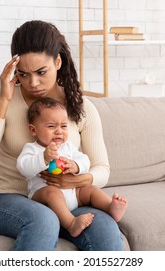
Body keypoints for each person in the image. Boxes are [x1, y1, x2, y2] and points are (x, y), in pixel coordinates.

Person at [0, 20, 124, 250]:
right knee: (43, 219)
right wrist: (4, 99)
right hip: (11, 199)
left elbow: (102, 168)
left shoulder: (81, 106)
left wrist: (78, 179)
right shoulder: (2, 99)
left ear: (58, 62)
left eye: (41, 72)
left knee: (107, 228)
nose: (33, 83)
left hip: (69, 201)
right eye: (23, 74)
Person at [17, 98, 127, 238]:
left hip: (74, 194)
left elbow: (85, 160)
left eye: (63, 126)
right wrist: (43, 158)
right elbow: (23, 167)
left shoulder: (67, 146)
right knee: (52, 192)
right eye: (51, 126)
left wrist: (75, 166)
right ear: (33, 130)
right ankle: (71, 224)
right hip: (45, 199)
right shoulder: (33, 149)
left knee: (89, 189)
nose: (59, 132)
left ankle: (110, 207)